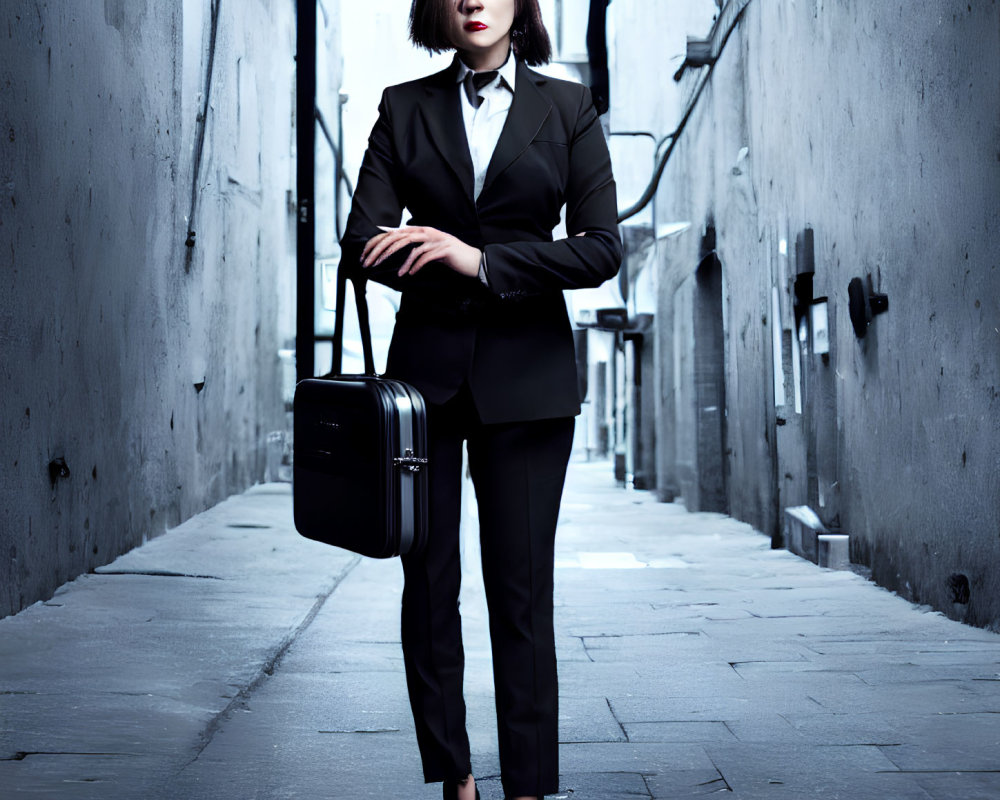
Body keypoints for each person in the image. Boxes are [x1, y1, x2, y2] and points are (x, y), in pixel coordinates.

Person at [340, 1, 622, 797]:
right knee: (427, 584)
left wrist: (478, 261)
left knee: (521, 591)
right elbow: (364, 238)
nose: (473, 0)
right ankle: (454, 775)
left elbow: (600, 248)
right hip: (423, 386)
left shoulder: (566, 107)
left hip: (529, 383)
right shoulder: (404, 107)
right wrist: (418, 258)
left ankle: (527, 785)